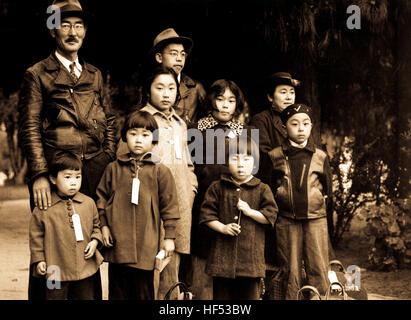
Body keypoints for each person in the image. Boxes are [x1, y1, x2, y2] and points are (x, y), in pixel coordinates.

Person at [18, 0, 117, 300]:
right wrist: (38, 174)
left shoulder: (95, 74)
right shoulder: (37, 74)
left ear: (85, 32)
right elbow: (30, 127)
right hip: (56, 173)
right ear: (53, 30)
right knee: (50, 249)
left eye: (79, 25)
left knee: (89, 245)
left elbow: (109, 120)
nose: (73, 32)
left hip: (94, 170)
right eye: (65, 25)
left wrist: (108, 157)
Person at [96, 111, 180, 300]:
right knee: (117, 293)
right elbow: (101, 200)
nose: (138, 140)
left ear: (154, 139)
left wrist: (170, 237)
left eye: (145, 135)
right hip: (118, 245)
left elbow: (170, 206)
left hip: (146, 246)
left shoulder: (161, 171)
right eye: (133, 134)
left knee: (143, 293)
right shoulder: (113, 169)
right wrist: (104, 226)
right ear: (125, 136)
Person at [188, 79, 250, 299]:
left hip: (235, 203)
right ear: (211, 101)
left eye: (231, 100)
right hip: (204, 203)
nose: (225, 105)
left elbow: (252, 170)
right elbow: (191, 168)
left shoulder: (245, 132)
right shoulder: (195, 130)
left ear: (237, 104)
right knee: (203, 260)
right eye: (220, 99)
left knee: (230, 259)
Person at [140, 66, 198, 299]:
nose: (166, 93)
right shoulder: (142, 120)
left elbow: (188, 161)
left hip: (181, 201)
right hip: (152, 204)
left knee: (173, 265)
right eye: (160, 88)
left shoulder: (179, 123)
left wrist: (191, 186)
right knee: (152, 261)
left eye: (171, 88)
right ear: (148, 91)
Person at [199, 135, 278, 300]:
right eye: (235, 159)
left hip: (250, 261)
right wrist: (223, 228)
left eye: (246, 159)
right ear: (227, 162)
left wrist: (250, 212)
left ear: (255, 163)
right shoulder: (217, 187)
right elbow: (207, 215)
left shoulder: (263, 189)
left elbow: (270, 217)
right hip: (222, 260)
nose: (240, 164)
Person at [271, 103, 332, 299]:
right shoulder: (275, 156)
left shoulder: (320, 156)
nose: (300, 128)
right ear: (284, 128)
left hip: (316, 219)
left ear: (311, 126)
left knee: (318, 265)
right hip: (287, 219)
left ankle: (320, 297)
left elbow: (328, 188)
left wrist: (320, 205)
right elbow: (271, 186)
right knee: (290, 268)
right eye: (294, 124)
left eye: (305, 124)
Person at [29, 152, 104, 300]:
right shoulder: (44, 207)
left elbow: (97, 226)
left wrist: (95, 241)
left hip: (84, 267)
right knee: (53, 297)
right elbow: (36, 236)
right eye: (67, 177)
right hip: (54, 269)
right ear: (53, 179)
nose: (74, 182)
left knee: (85, 297)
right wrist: (39, 260)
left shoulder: (88, 203)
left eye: (78, 176)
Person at [150, 28, 206, 126]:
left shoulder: (195, 88)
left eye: (183, 54)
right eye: (173, 53)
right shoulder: (145, 87)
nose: (179, 59)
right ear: (159, 57)